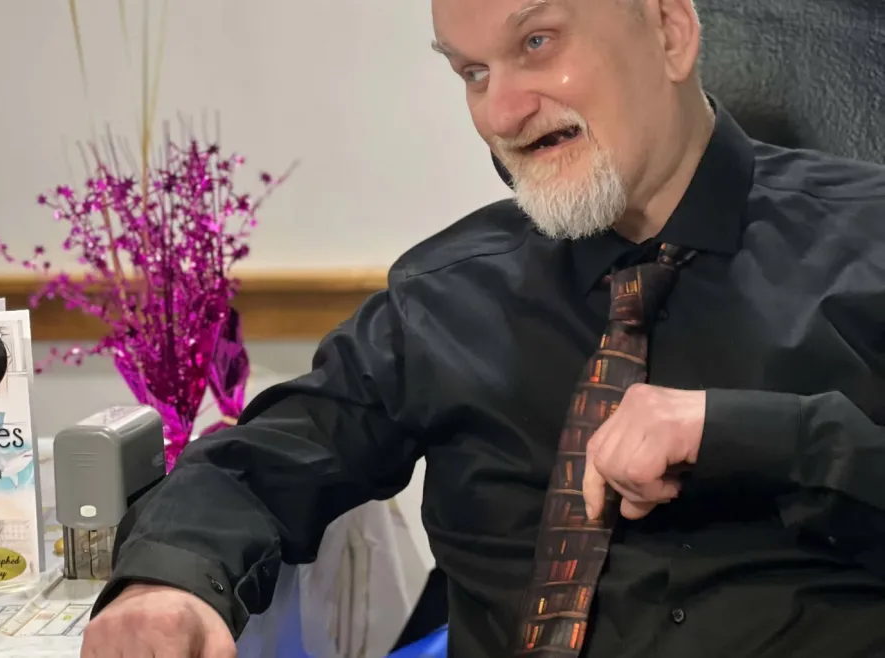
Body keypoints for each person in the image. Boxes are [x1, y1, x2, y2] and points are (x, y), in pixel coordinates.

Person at [80, 0, 885, 656]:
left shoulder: (869, 239)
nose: (500, 112)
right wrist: (167, 583)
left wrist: (756, 436)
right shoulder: (444, 293)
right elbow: (264, 456)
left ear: (668, 32)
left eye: (536, 42)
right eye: (471, 72)